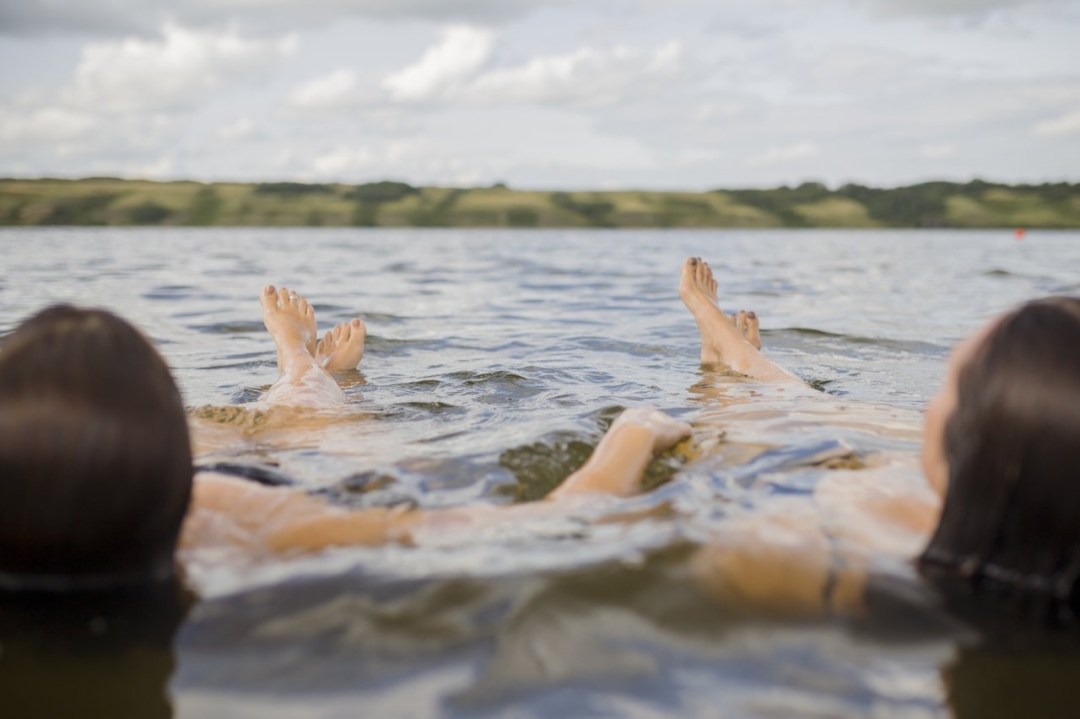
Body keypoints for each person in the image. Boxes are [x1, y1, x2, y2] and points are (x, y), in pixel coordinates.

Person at [0, 289, 691, 591]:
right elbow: (551, 521)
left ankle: (302, 370)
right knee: (315, 434)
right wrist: (633, 431)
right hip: (272, 490)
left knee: (229, 429)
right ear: (171, 481)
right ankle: (301, 368)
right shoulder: (221, 513)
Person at [676, 256, 1080, 629]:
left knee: (803, 428)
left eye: (948, 387)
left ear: (977, 451)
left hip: (812, 488)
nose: (928, 410)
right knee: (861, 420)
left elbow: (692, 562)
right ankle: (730, 364)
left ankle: (727, 368)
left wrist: (630, 440)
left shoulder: (839, 561)